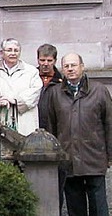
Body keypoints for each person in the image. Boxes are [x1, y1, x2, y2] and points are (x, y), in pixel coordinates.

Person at [44, 53, 112, 216]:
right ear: (62, 69)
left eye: (73, 65)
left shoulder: (100, 91)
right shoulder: (54, 93)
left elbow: (109, 124)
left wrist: (109, 155)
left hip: (94, 157)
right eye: (66, 66)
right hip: (68, 159)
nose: (70, 69)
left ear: (82, 66)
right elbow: (51, 126)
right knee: (75, 208)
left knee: (99, 207)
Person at [0, 38, 42, 136]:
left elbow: (35, 91)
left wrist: (15, 100)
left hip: (24, 119)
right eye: (9, 50)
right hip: (1, 117)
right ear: (1, 52)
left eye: (16, 50)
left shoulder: (31, 71)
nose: (13, 53)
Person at [36, 43, 62, 130]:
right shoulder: (29, 77)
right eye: (42, 60)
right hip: (34, 124)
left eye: (49, 60)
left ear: (55, 61)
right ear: (38, 60)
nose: (46, 64)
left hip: (55, 126)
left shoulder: (62, 81)